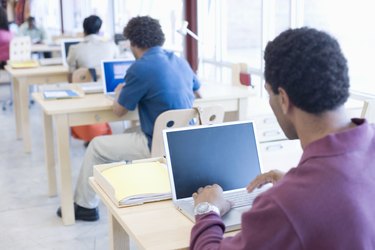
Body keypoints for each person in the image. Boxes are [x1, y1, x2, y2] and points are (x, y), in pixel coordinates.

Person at [190, 27, 375, 249]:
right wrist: (299, 183)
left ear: (284, 99)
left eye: (269, 94)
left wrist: (207, 210)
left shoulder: (285, 204)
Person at [57, 16, 201, 221]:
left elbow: (119, 111)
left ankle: (85, 206)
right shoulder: (179, 61)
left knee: (97, 146)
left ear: (133, 43)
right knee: (126, 133)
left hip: (158, 144)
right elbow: (198, 92)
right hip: (186, 141)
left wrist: (119, 91)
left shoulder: (140, 67)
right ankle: (131, 186)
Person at [67, 15, 119, 146]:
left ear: (84, 30)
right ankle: (100, 130)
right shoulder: (111, 46)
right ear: (99, 29)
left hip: (85, 93)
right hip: (108, 91)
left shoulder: (75, 49)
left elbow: (71, 75)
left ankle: (89, 132)